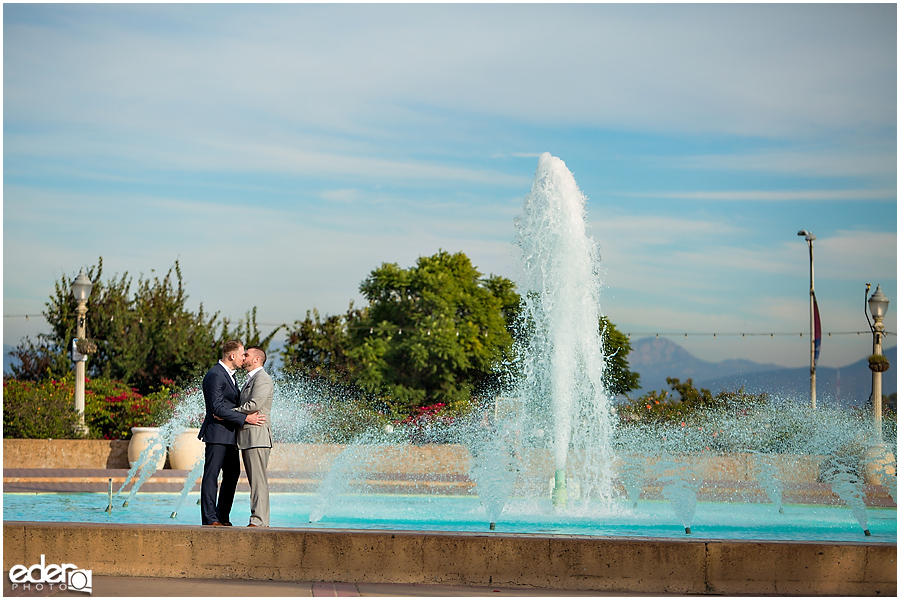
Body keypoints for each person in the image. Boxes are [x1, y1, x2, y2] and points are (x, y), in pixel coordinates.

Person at [197, 340, 266, 526]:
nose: (244, 358)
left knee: (232, 473)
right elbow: (217, 408)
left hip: (229, 434)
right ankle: (210, 518)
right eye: (243, 354)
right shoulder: (215, 374)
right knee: (211, 475)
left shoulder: (230, 376)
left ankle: (222, 516)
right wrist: (245, 419)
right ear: (232, 355)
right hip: (217, 434)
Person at [233, 346, 275, 527]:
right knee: (256, 481)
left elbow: (254, 405)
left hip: (257, 437)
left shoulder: (263, 379)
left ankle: (258, 521)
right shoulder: (252, 379)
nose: (243, 357)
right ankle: (260, 520)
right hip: (250, 437)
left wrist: (229, 413)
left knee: (258, 481)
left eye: (246, 355)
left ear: (257, 359)